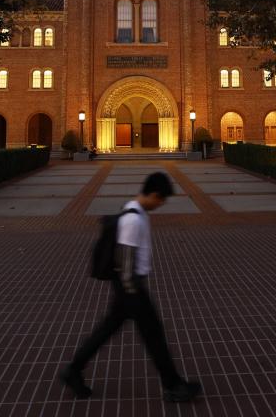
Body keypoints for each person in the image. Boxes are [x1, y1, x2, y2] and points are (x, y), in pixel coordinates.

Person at [60, 171, 202, 402]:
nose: (161, 204)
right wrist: (134, 294)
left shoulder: (137, 211)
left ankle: (73, 370)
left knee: (108, 331)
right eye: (161, 199)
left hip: (128, 289)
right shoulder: (133, 219)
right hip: (130, 287)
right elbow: (125, 263)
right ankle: (173, 385)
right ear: (154, 194)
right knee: (154, 336)